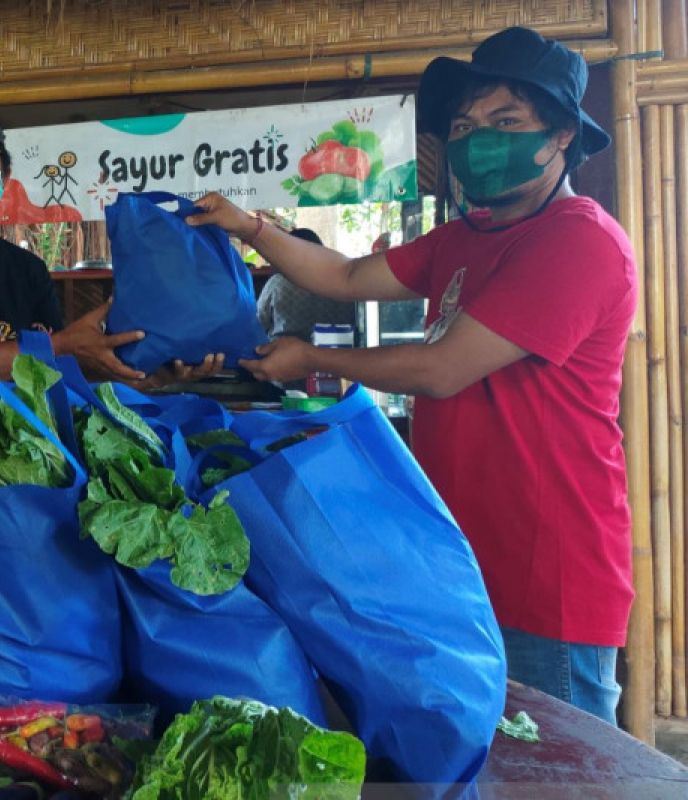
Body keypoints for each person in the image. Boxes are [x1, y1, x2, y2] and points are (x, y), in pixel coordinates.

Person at [188, 27, 635, 724]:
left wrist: (312, 361)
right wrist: (250, 228)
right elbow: (341, 274)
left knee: (558, 773)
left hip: (549, 573)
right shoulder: (463, 239)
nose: (480, 138)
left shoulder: (578, 240)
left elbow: (442, 368)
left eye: (506, 121)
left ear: (563, 137)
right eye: (466, 124)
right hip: (460, 557)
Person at [0, 105, 221, 407]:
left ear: (3, 178)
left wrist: (151, 373)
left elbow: (58, 372)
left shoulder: (27, 268)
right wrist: (60, 344)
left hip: (27, 451)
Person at [255, 227, 357, 342]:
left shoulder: (278, 282)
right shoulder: (343, 281)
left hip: (283, 354)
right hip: (336, 353)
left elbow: (259, 323)